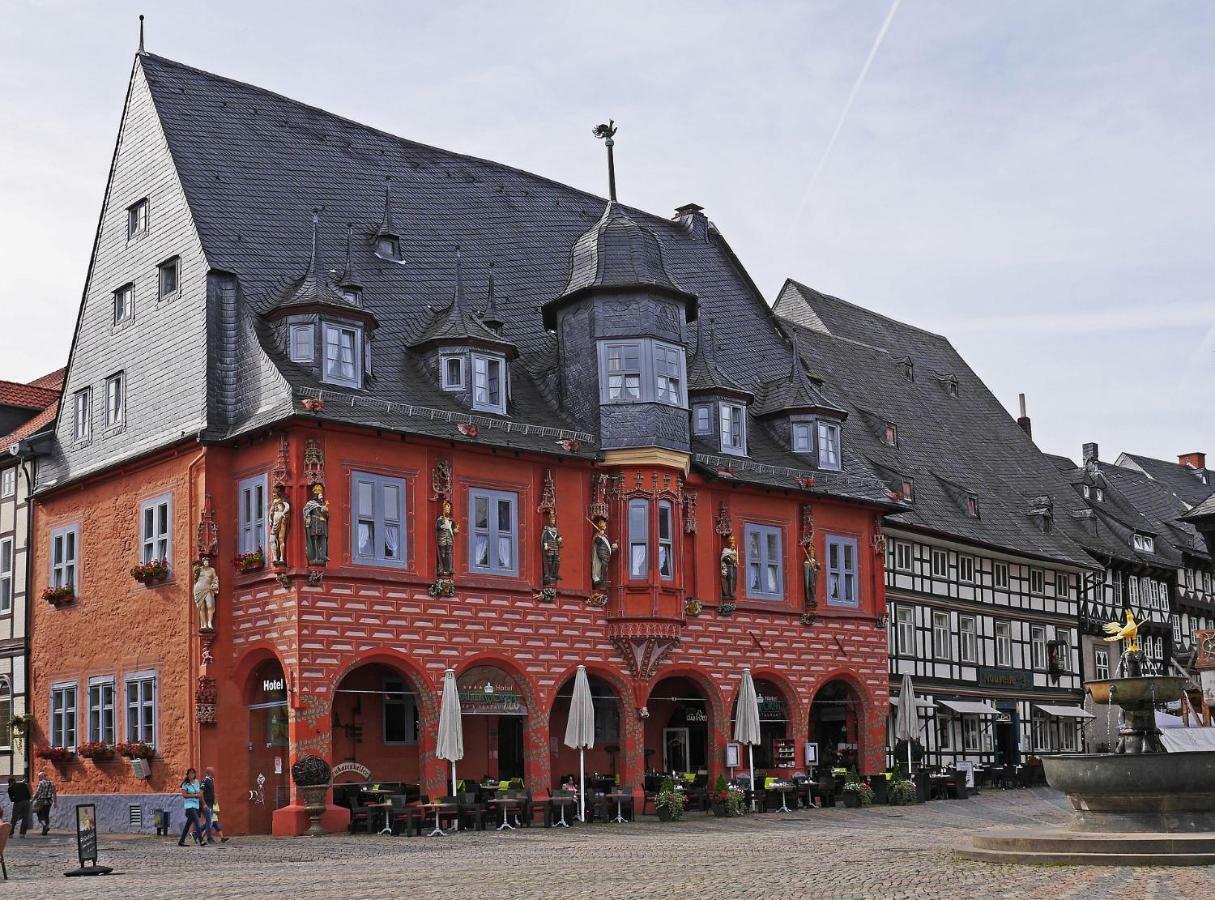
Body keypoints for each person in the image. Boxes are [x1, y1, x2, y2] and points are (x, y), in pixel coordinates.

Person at [200, 767, 229, 844]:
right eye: (213, 771)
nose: (214, 772)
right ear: (209, 772)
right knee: (210, 821)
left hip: (210, 804)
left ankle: (197, 834)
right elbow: (201, 793)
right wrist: (204, 804)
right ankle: (209, 838)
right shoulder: (205, 781)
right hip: (207, 804)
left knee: (210, 822)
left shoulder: (211, 780)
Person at [179, 768, 206, 846]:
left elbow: (200, 793)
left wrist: (203, 803)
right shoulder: (185, 784)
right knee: (197, 821)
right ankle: (201, 840)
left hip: (196, 805)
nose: (191, 775)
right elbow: (184, 795)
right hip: (189, 806)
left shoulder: (197, 782)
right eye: (190, 773)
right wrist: (194, 795)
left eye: (193, 773)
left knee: (188, 824)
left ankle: (181, 841)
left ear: (194, 774)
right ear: (187, 775)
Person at [32, 771, 56, 835]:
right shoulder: (52, 783)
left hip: (41, 801)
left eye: (39, 776)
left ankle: (45, 826)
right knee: (46, 815)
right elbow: (54, 794)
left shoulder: (41, 783)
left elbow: (37, 793)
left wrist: (32, 800)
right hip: (49, 801)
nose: (38, 778)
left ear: (43, 776)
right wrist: (55, 803)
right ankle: (46, 828)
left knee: (39, 815)